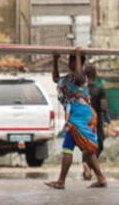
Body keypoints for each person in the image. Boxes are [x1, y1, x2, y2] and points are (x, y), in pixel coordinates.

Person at [46, 50, 107, 189]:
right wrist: (55, 60)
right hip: (76, 117)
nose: (70, 63)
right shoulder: (67, 79)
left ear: (80, 63)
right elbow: (56, 78)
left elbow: (79, 78)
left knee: (68, 148)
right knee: (89, 151)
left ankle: (61, 181)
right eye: (70, 61)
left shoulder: (82, 78)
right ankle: (101, 178)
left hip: (81, 118)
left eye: (73, 61)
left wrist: (78, 56)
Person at [83, 63, 109, 181]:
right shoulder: (99, 89)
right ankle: (88, 165)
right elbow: (103, 107)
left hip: (83, 121)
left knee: (87, 145)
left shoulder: (81, 89)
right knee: (100, 145)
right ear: (95, 74)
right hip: (95, 121)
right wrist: (107, 119)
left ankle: (86, 165)